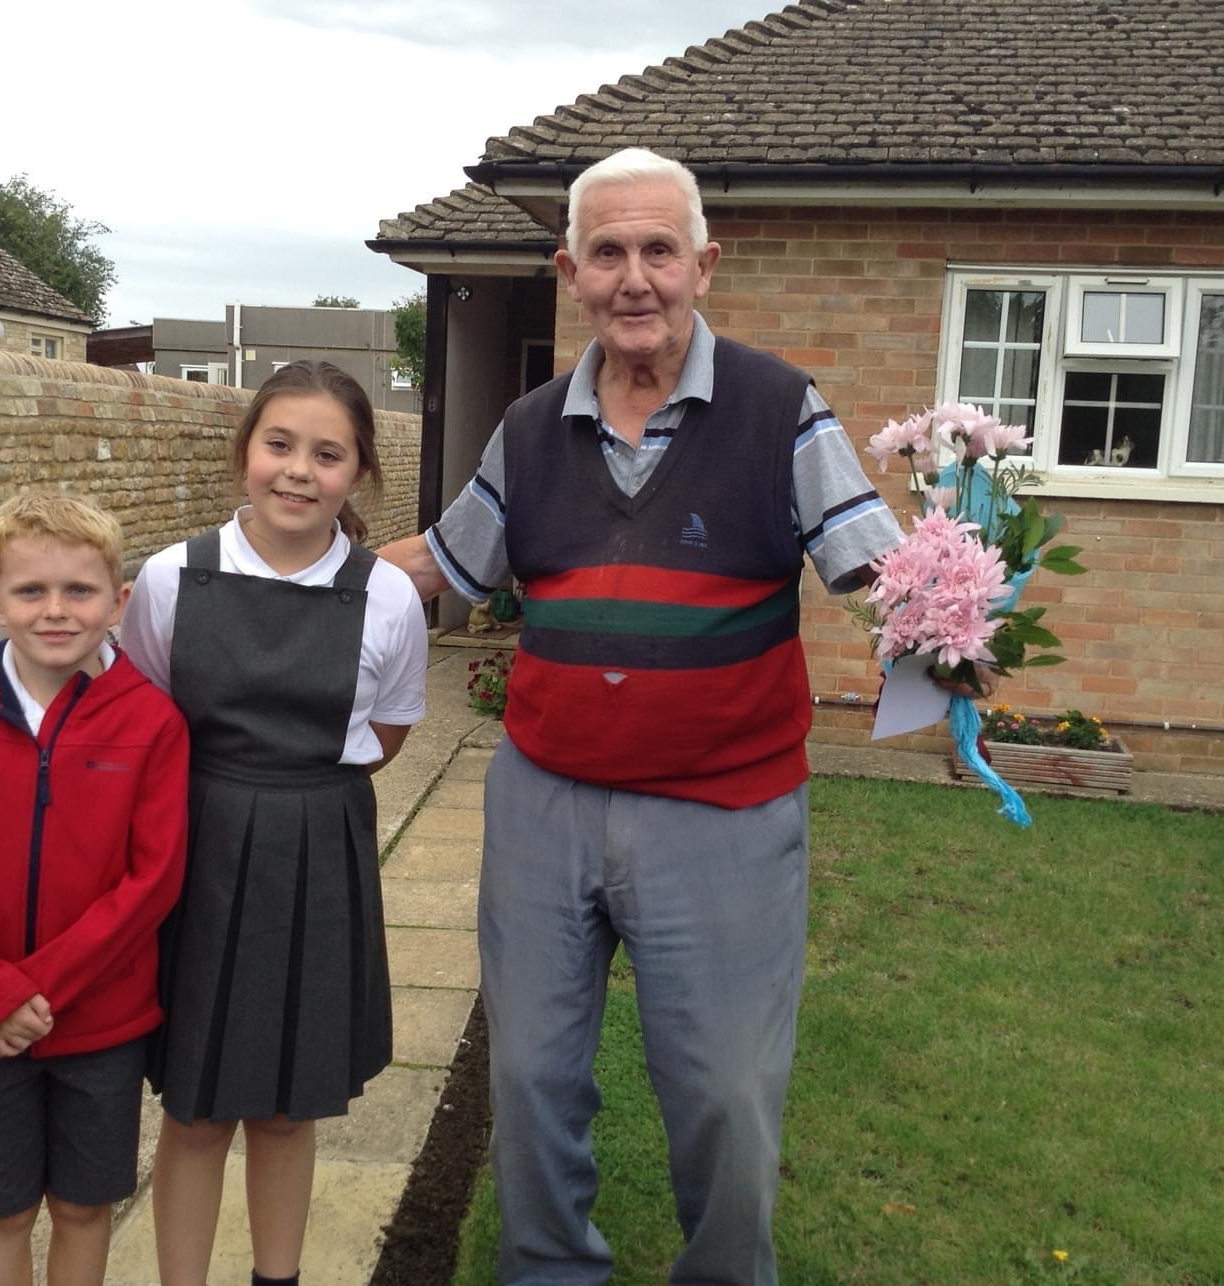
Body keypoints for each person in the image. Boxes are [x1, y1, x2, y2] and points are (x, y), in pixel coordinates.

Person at [377, 147, 904, 1285]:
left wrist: (955, 630)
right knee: (527, 1075)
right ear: (568, 270)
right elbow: (446, 570)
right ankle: (549, 1268)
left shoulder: (780, 411)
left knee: (723, 1089)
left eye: (657, 249)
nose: (634, 277)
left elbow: (878, 571)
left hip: (720, 811)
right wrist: (271, 577)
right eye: (606, 251)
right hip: (544, 800)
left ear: (702, 265)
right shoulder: (525, 426)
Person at [121, 359, 428, 1286]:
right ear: (245, 451)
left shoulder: (387, 597)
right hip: (200, 852)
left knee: (290, 1107)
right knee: (199, 1107)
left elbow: (391, 729)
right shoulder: (173, 579)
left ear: (358, 471)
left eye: (327, 454)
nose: (299, 470)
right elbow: (140, 724)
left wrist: (297, 794)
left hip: (318, 856)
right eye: (280, 444)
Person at [0, 491, 189, 1286]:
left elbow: (151, 880)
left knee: (84, 1208)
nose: (55, 611)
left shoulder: (152, 721)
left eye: (79, 591)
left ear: (118, 601)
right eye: (30, 591)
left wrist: (35, 991)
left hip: (100, 1024)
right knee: (3, 1212)